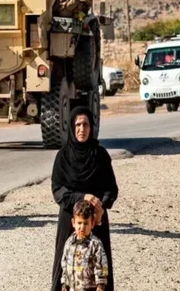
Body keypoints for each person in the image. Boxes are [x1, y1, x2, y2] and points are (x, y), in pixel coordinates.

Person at [51, 106, 119, 291]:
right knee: (65, 265)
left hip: (96, 220)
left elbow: (111, 189)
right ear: (72, 128)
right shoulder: (63, 157)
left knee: (100, 268)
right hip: (70, 220)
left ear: (92, 127)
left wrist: (100, 208)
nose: (82, 129)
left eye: (86, 125)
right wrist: (83, 197)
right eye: (78, 125)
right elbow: (58, 191)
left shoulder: (100, 156)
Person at [60, 200, 109, 291]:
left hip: (89, 287)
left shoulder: (95, 244)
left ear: (92, 224)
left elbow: (102, 266)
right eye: (79, 223)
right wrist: (64, 283)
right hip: (72, 287)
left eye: (86, 223)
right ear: (73, 223)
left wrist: (101, 285)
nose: (82, 227)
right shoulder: (69, 242)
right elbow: (64, 264)